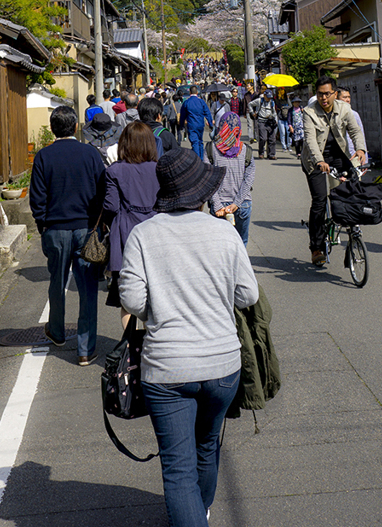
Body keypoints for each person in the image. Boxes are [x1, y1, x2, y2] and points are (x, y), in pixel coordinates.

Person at [119, 148, 259, 527]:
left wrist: (161, 307)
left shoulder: (143, 235)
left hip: (167, 368)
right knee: (207, 446)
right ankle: (202, 511)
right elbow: (248, 295)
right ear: (201, 193)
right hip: (223, 364)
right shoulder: (223, 232)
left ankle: (193, 515)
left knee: (178, 469)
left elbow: (131, 299)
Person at [29, 106, 105, 365]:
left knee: (56, 281)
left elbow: (37, 198)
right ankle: (85, 350)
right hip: (85, 228)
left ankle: (57, 332)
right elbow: (102, 191)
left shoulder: (43, 156)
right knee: (87, 288)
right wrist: (96, 224)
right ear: (75, 127)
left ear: (52, 128)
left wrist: (43, 224)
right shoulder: (90, 154)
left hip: (55, 229)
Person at [301, 76, 366, 266]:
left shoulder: (344, 109)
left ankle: (353, 234)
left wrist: (360, 148)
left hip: (339, 156)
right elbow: (310, 141)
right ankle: (317, 246)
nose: (324, 98)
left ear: (334, 94)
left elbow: (355, 131)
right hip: (315, 160)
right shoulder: (309, 112)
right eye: (320, 94)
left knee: (349, 193)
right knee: (320, 200)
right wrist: (319, 161)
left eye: (327, 94)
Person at [103, 122, 160, 327]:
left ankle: (130, 347)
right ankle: (150, 345)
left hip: (125, 232)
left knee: (127, 297)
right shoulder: (158, 169)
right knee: (154, 293)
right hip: (155, 231)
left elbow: (110, 206)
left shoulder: (115, 170)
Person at [206, 111, 255, 246]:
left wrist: (217, 205)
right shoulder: (247, 150)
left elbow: (208, 179)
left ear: (221, 126)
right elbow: (248, 180)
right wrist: (236, 204)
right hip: (243, 204)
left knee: (222, 246)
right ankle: (239, 267)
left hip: (220, 206)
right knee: (241, 243)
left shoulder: (211, 149)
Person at [336, 87, 370, 167]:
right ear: (336, 98)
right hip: (338, 156)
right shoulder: (333, 115)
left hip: (354, 155)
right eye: (344, 97)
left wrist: (364, 159)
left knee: (355, 178)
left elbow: (360, 134)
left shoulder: (354, 114)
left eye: (349, 97)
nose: (347, 100)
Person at [179, 85, 213, 160]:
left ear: (190, 92)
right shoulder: (201, 101)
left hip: (191, 125)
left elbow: (182, 116)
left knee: (194, 142)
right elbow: (207, 113)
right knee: (200, 141)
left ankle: (197, 159)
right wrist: (210, 123)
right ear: (197, 92)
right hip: (200, 125)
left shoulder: (187, 102)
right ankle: (201, 159)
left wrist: (181, 125)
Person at [249, 89, 278, 160]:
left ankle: (271, 154)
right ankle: (261, 152)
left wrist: (275, 119)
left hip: (270, 122)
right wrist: (252, 113)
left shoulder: (272, 102)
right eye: (267, 97)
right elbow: (250, 104)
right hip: (262, 121)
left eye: (270, 97)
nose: (269, 99)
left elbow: (274, 112)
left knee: (272, 139)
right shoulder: (259, 101)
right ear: (264, 95)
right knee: (263, 138)